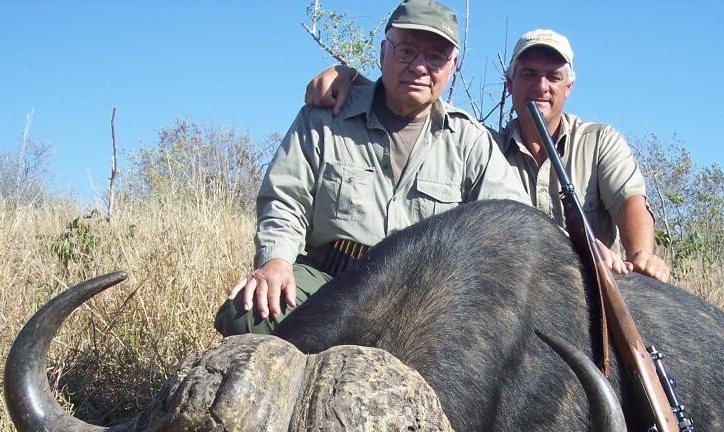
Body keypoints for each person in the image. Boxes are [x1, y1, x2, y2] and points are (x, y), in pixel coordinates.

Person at [216, 0, 527, 336]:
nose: (420, 66)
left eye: (435, 57)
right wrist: (275, 261)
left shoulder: (470, 140)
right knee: (246, 313)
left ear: (453, 65)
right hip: (330, 282)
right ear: (382, 53)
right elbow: (284, 200)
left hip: (422, 301)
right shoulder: (324, 117)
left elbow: (512, 225)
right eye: (406, 51)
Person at [306, 28, 670, 282]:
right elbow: (415, 103)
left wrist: (640, 256)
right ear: (509, 83)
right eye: (528, 74)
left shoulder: (600, 141)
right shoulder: (483, 145)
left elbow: (629, 202)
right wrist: (349, 77)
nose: (540, 86)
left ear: (569, 87)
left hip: (588, 282)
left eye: (552, 77)